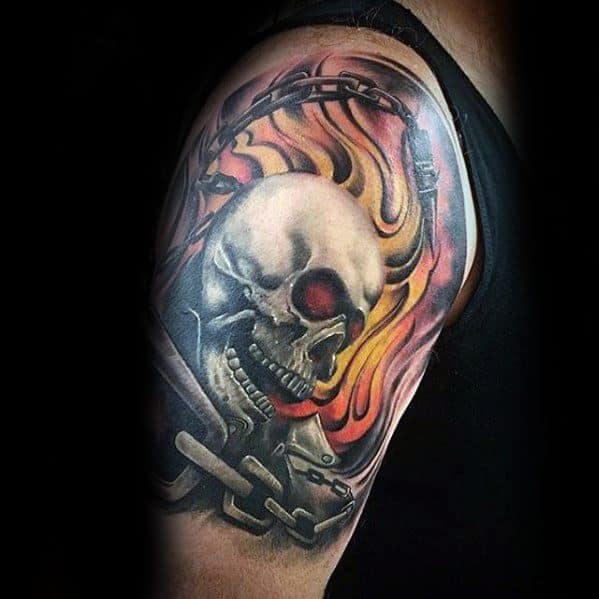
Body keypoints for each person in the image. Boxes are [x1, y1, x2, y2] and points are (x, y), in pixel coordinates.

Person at [148, 2, 540, 597]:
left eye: (344, 330)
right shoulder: (381, 125)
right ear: (235, 273)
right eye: (315, 301)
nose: (327, 366)